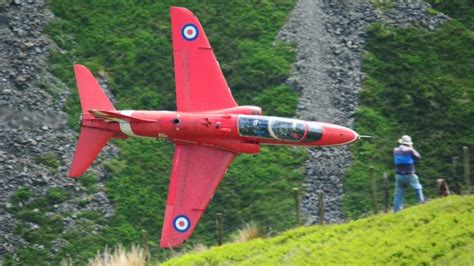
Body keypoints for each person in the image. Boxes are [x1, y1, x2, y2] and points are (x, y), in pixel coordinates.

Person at [393, 135, 424, 212]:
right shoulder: (410, 150)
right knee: (418, 188)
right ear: (409, 143)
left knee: (399, 192)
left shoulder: (395, 150)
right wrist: (412, 148)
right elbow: (418, 157)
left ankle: (396, 210)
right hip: (409, 174)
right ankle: (421, 203)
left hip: (399, 175)